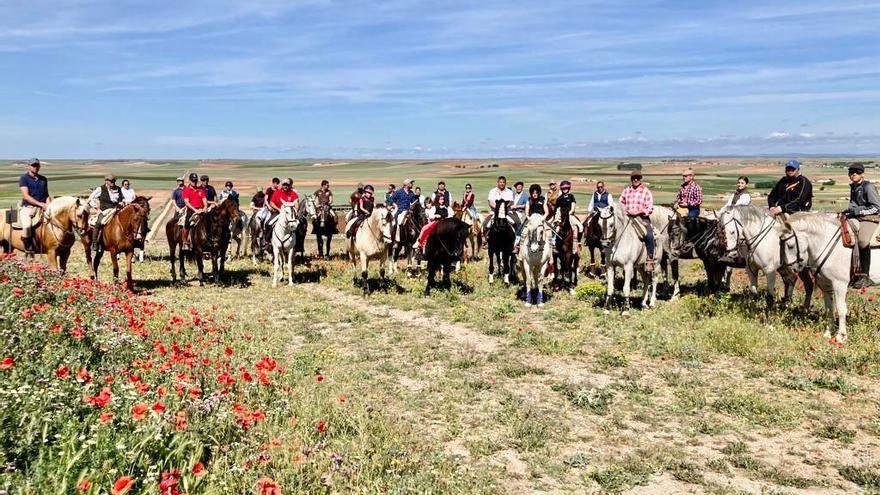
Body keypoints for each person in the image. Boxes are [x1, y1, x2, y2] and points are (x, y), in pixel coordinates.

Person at [844, 163, 880, 288]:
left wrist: (857, 211)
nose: (853, 174)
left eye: (857, 172)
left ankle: (865, 276)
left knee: (863, 241)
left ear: (862, 174)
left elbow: (876, 207)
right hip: (857, 217)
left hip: (870, 218)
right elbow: (854, 205)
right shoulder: (853, 186)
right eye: (851, 172)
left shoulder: (868, 187)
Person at [619, 170, 656, 271]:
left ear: (640, 179)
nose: (635, 180)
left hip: (641, 218)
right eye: (633, 178)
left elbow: (650, 207)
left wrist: (639, 212)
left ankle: (649, 257)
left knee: (649, 233)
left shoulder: (646, 191)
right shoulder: (626, 191)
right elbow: (621, 203)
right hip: (627, 218)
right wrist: (625, 211)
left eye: (638, 178)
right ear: (631, 179)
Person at [18, 158, 51, 255]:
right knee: (27, 225)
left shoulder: (43, 179)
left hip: (43, 207)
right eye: (33, 165)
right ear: (29, 166)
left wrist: (49, 205)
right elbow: (26, 196)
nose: (35, 167)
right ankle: (28, 247)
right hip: (28, 207)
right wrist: (40, 204)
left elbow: (46, 195)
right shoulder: (24, 178)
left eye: (37, 165)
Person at [87, 174, 123, 252]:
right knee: (99, 223)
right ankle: (95, 243)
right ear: (106, 181)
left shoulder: (119, 189)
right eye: (111, 181)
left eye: (113, 181)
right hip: (104, 211)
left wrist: (122, 203)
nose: (112, 182)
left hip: (117, 210)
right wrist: (97, 208)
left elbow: (122, 199)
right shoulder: (100, 189)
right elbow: (91, 199)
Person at [181, 173, 207, 251]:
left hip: (201, 210)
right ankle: (185, 242)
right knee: (187, 223)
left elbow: (204, 200)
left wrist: (205, 207)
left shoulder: (201, 190)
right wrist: (195, 210)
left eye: (195, 181)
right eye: (193, 181)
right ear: (189, 181)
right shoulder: (186, 190)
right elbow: (187, 202)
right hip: (192, 210)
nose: (194, 182)